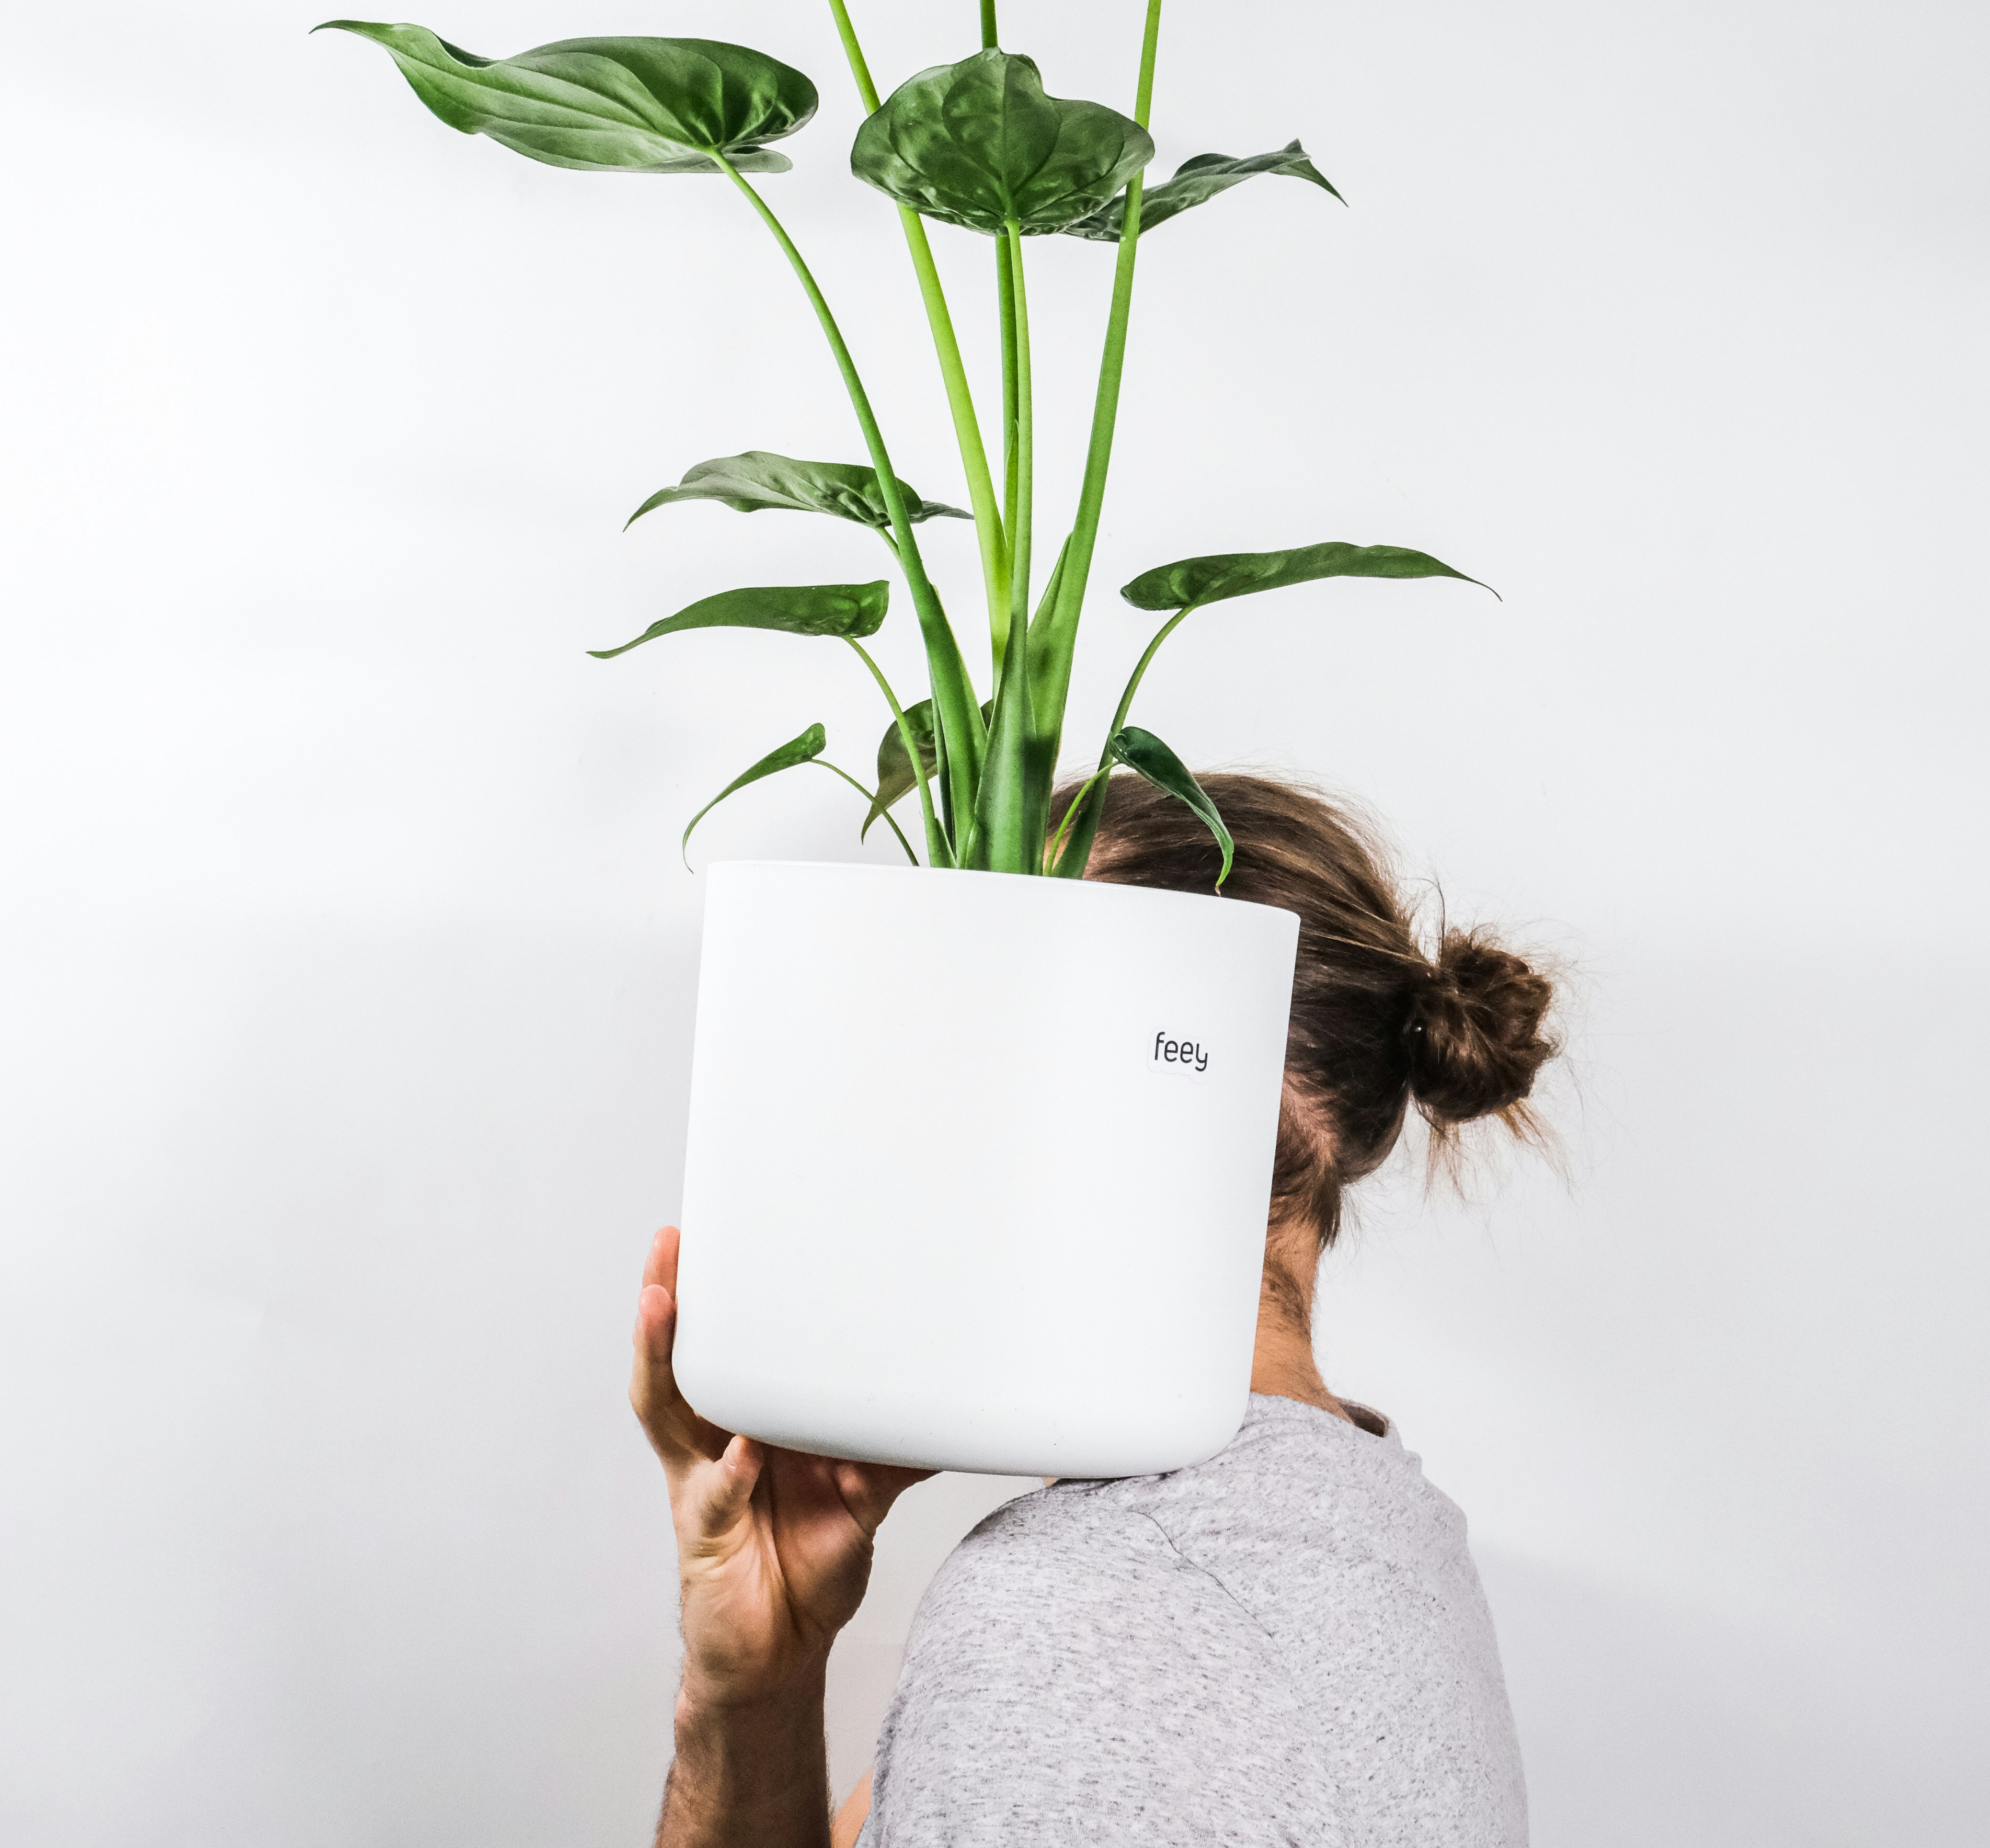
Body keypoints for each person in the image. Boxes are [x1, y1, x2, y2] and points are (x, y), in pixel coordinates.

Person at [630, 771, 1560, 1847]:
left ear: (1186, 1069)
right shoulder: (1365, 1518)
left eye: (998, 1001)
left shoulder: (1091, 1616)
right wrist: (756, 1681)